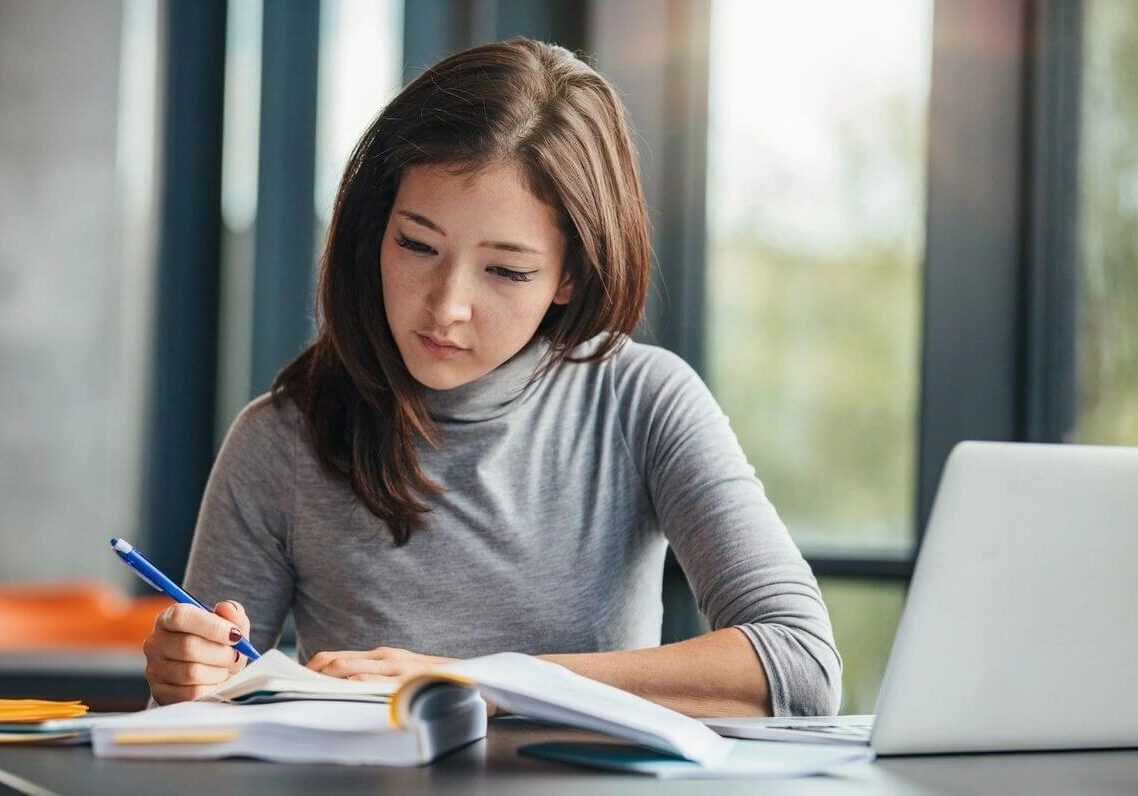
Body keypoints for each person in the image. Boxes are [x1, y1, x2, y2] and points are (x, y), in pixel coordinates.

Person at [142, 37, 841, 718]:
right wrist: (186, 684)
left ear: (570, 275)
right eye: (417, 244)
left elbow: (800, 663)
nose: (446, 307)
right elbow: (197, 726)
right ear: (374, 229)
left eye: (506, 270)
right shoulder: (284, 439)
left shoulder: (642, 402)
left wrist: (482, 683)